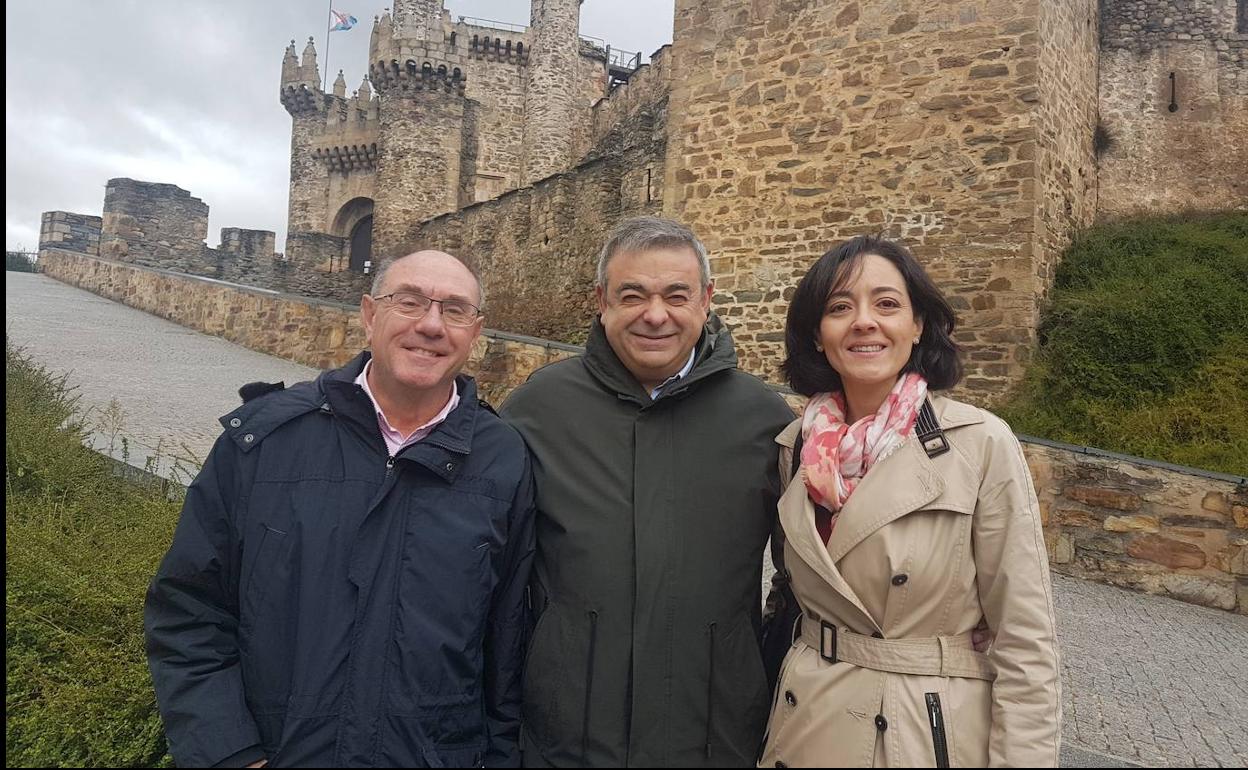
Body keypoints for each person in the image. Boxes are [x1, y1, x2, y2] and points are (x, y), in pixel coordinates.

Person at [145, 250, 536, 768]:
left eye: (456, 310)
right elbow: (191, 609)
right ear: (370, 314)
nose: (432, 325)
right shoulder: (266, 440)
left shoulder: (503, 460)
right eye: (410, 302)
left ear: (476, 331)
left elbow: (508, 644)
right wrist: (229, 752)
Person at [500, 217, 795, 767]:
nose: (655, 314)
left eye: (676, 295)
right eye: (632, 294)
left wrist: (751, 674)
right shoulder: (539, 410)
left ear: (706, 300)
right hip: (562, 739)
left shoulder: (762, 420)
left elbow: (802, 580)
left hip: (712, 738)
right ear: (601, 300)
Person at [758, 235, 1061, 767]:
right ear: (817, 333)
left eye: (887, 304)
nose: (864, 322)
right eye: (839, 308)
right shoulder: (796, 447)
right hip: (805, 725)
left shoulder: (980, 444)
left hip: (919, 735)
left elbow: (1026, 642)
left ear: (918, 325)